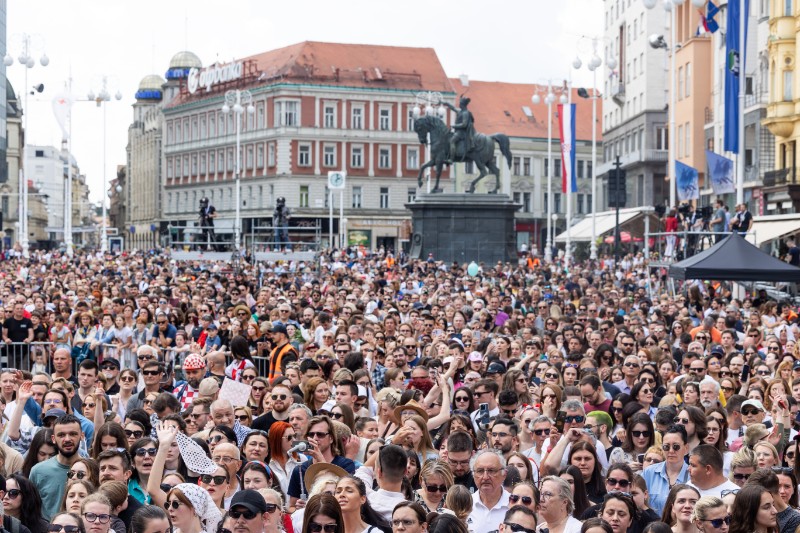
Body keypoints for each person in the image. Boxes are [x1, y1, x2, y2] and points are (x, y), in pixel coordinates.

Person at [30, 414, 84, 520]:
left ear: (82, 436)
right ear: (53, 439)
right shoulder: (38, 471)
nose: (67, 439)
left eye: (73, 434)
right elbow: (30, 509)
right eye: (61, 435)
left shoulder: (92, 469)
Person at [641, 425, 690, 516]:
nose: (671, 451)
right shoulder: (648, 473)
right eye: (666, 447)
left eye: (676, 447)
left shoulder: (693, 475)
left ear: (686, 448)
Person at [467, 449, 509, 533]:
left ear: (504, 474)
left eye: (491, 471)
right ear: (473, 475)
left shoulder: (514, 504)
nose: (485, 477)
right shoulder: (465, 504)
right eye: (480, 471)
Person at [442, 96, 476, 162]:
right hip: (458, 131)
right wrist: (445, 103)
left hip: (462, 132)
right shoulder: (460, 111)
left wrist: (454, 126)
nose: (459, 105)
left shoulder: (465, 113)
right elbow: (453, 108)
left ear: (463, 105)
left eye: (460, 103)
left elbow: (464, 124)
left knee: (452, 141)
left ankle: (451, 159)